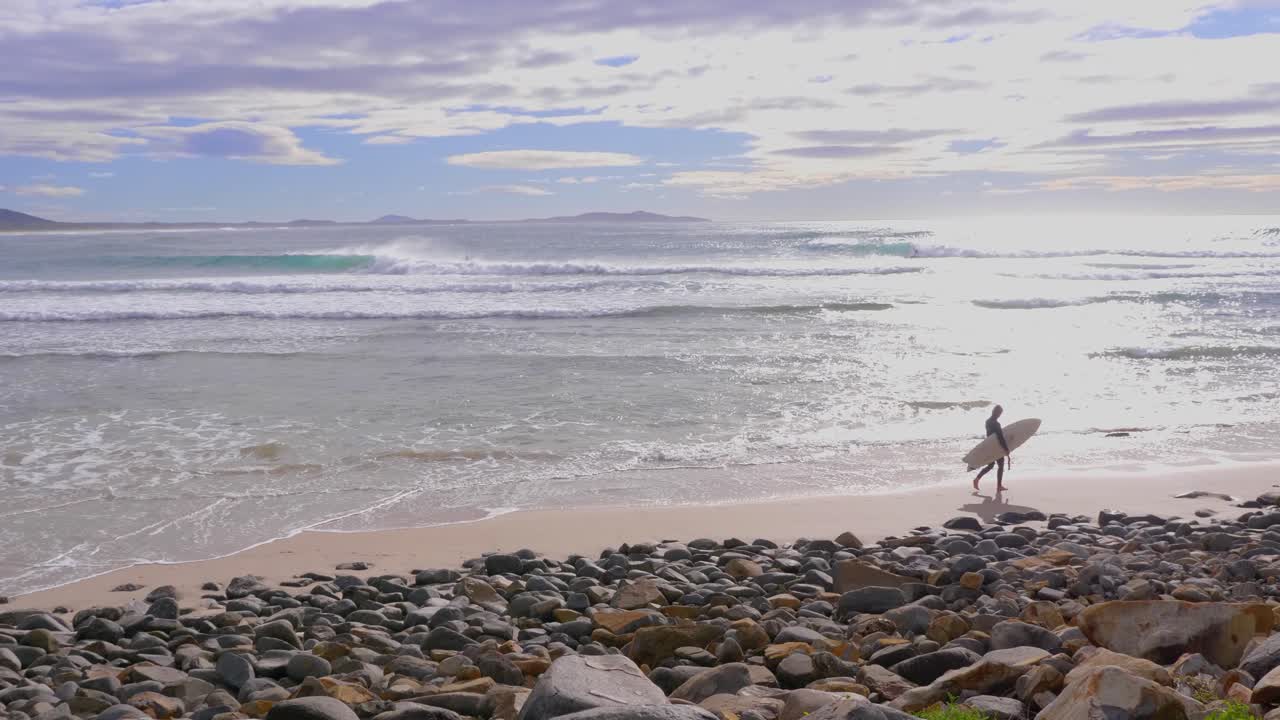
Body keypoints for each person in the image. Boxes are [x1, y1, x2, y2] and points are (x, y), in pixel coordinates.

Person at [973, 405, 1012, 491]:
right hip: (997, 447)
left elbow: (990, 436)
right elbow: (1000, 437)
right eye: (1000, 413)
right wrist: (1006, 449)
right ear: (997, 413)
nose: (1000, 415)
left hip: (989, 446)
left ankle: (977, 479)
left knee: (991, 465)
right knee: (1001, 466)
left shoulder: (987, 421)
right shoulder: (996, 424)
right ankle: (999, 486)